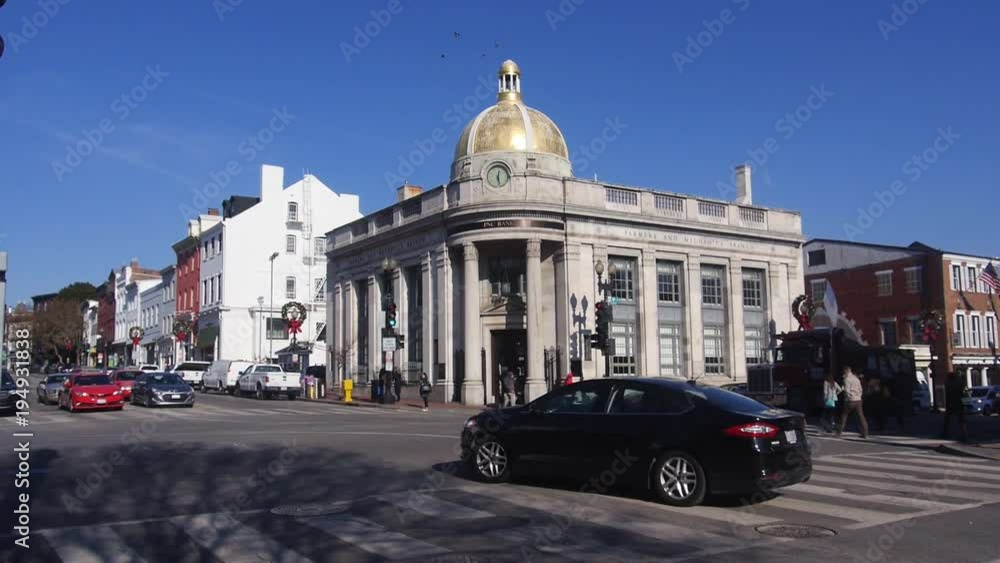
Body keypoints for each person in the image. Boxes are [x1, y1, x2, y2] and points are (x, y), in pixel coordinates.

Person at [836, 364, 869, 438]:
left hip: (850, 400)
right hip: (858, 400)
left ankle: (839, 432)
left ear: (845, 371)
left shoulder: (846, 379)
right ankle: (865, 433)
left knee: (844, 415)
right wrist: (859, 396)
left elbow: (846, 391)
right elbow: (861, 389)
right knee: (861, 416)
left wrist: (848, 397)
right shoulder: (856, 378)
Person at [941, 371, 968, 442]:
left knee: (948, 419)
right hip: (958, 402)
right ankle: (964, 435)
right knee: (961, 420)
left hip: (952, 403)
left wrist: (947, 405)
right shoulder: (959, 383)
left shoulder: (949, 384)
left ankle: (946, 433)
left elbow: (948, 395)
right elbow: (962, 391)